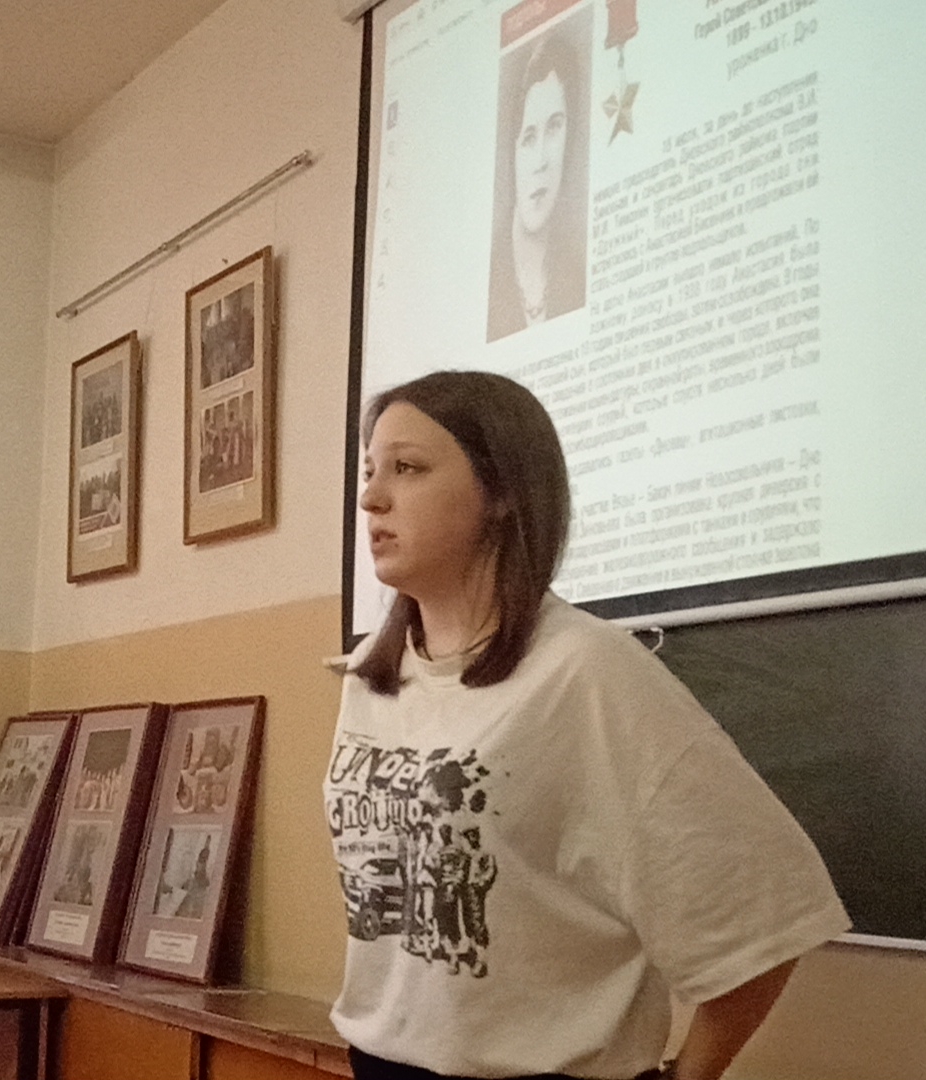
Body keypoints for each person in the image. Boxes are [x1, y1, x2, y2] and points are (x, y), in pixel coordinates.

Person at [326, 371, 848, 1080]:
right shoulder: (370, 675)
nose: (371, 498)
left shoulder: (587, 671)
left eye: (407, 468)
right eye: (370, 471)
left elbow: (768, 904)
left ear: (502, 492)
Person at [488, 34, 588, 341]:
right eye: (529, 137)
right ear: (511, 149)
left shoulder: (580, 276)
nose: (541, 161)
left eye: (555, 127)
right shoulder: (486, 279)